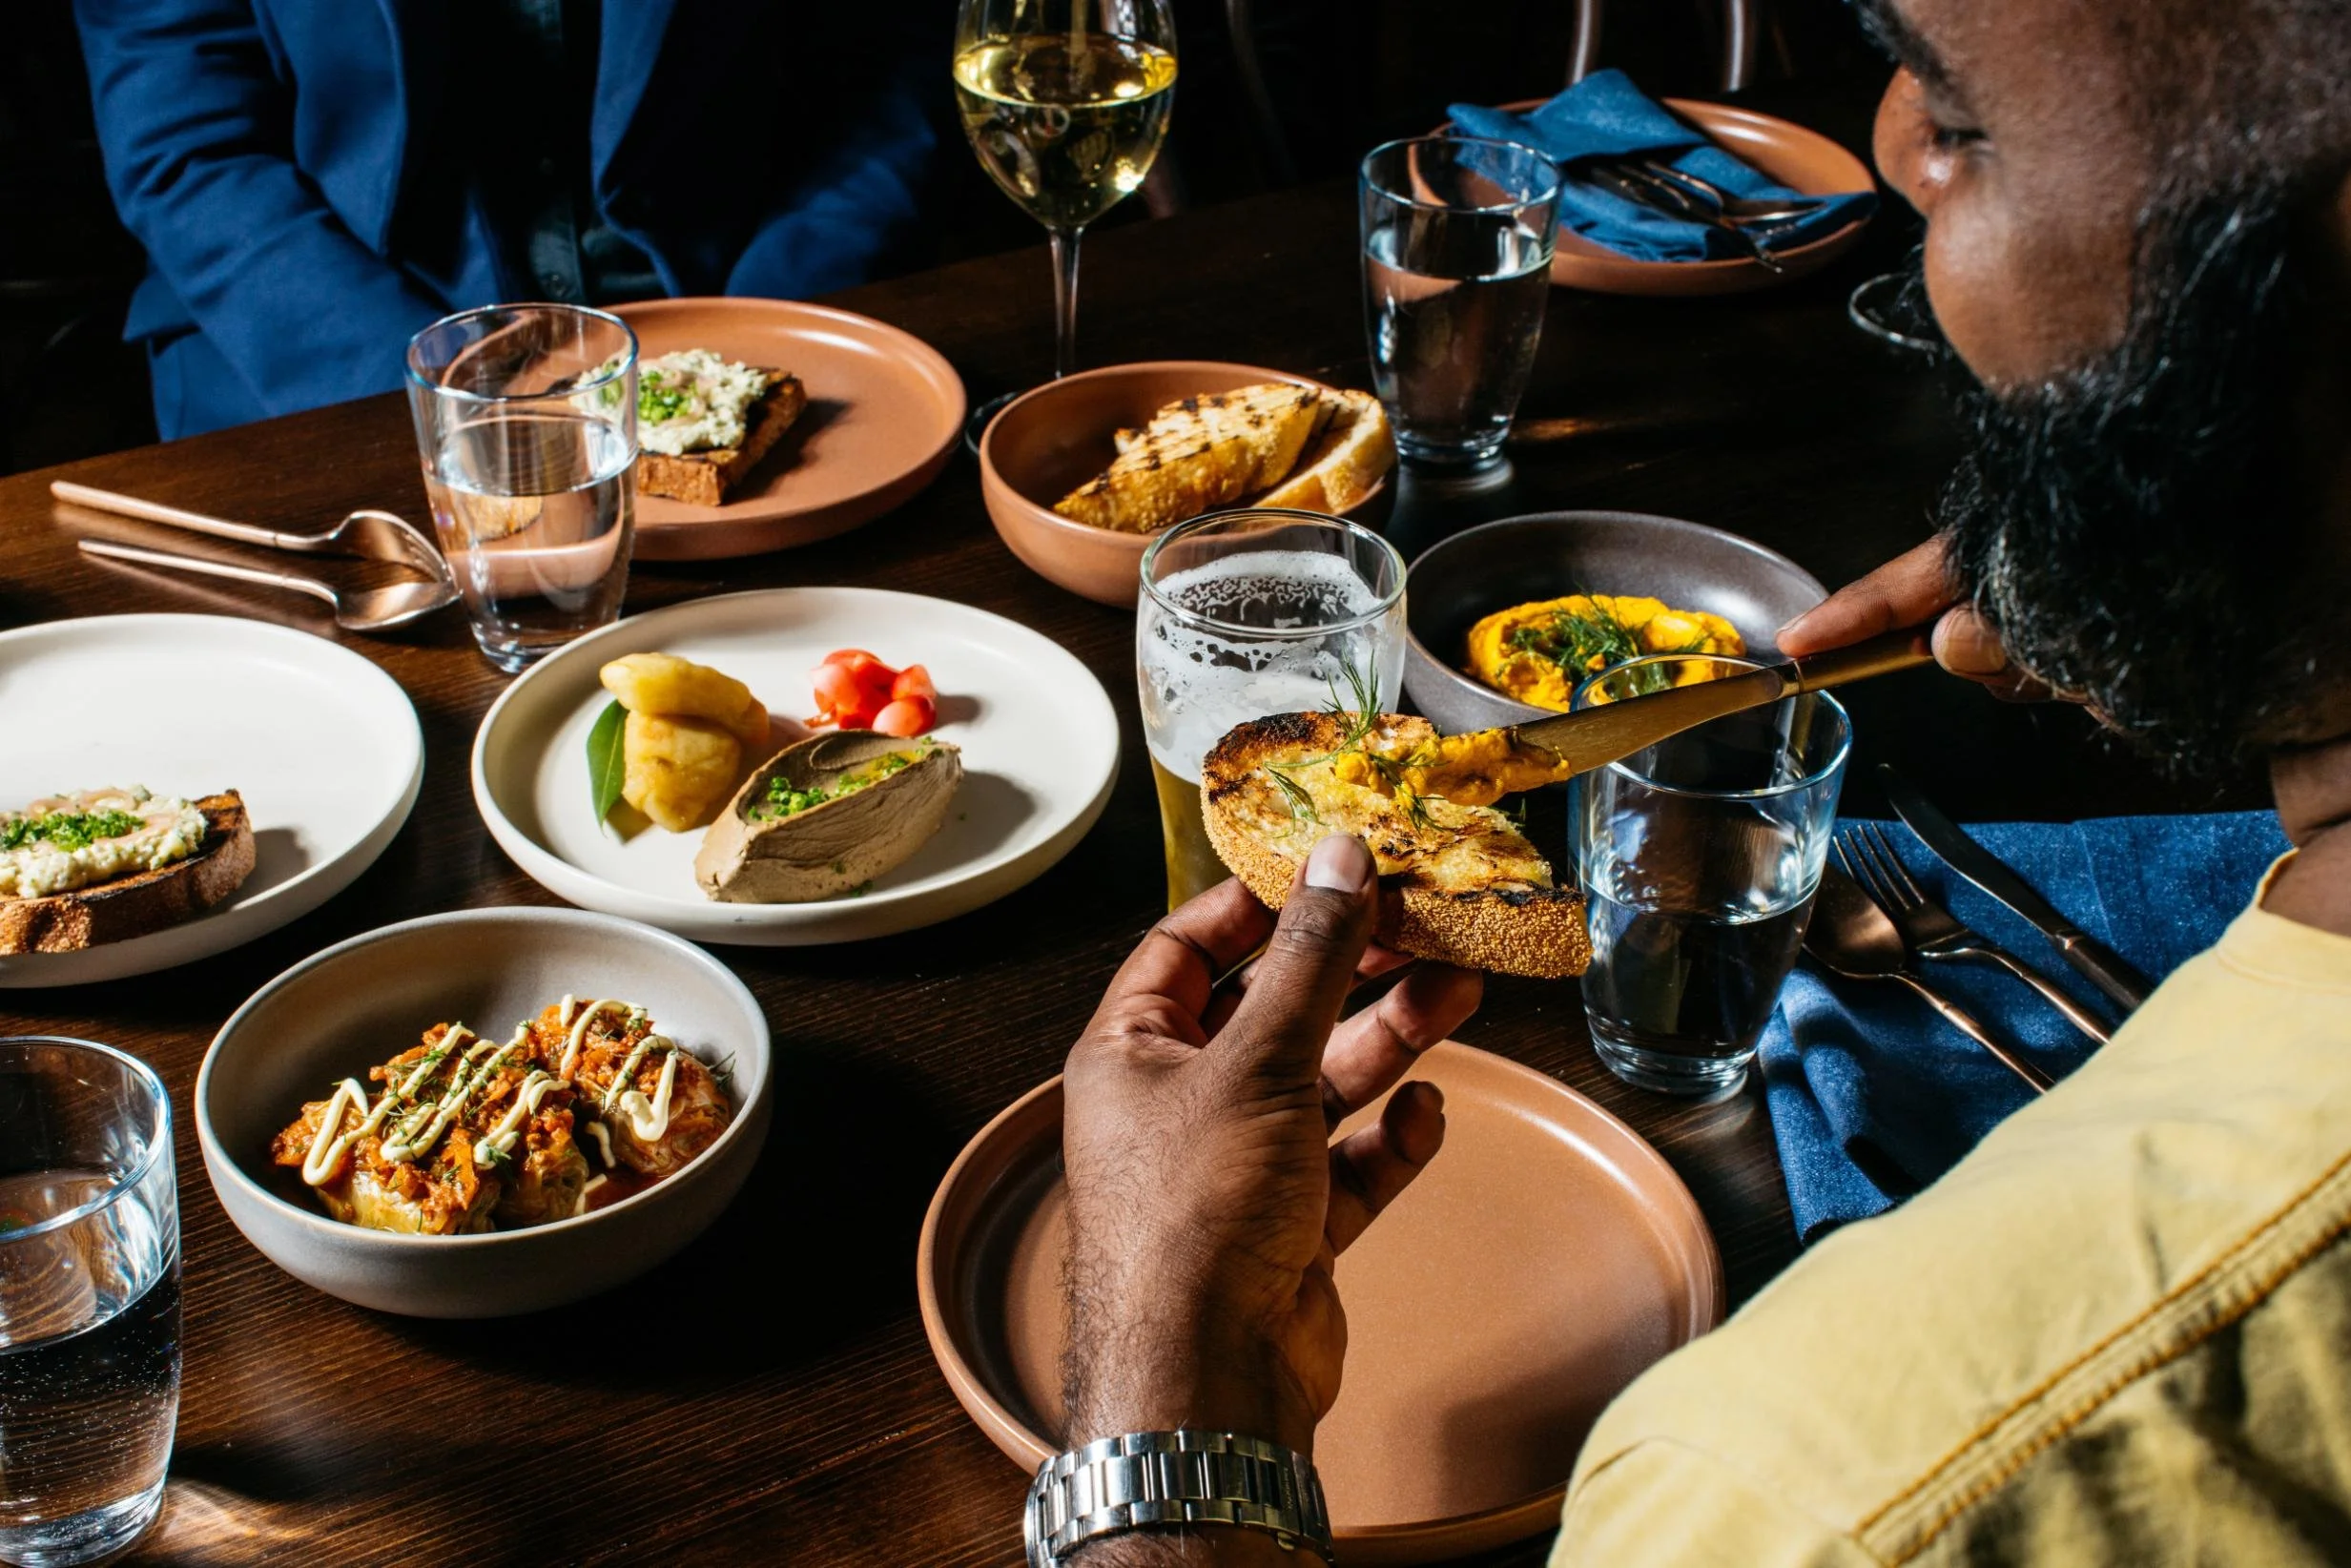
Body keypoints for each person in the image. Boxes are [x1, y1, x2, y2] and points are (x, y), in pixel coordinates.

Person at [1047, 0, 2351, 1559]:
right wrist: (2234, 574)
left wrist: (1169, 1384)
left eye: (1965, 110)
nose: (1893, 148)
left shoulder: (1804, 1486)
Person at [73, 0, 941, 439]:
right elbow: (188, 150)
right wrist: (432, 395)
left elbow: (886, 72)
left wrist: (769, 338)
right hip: (319, 350)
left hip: (750, 302)